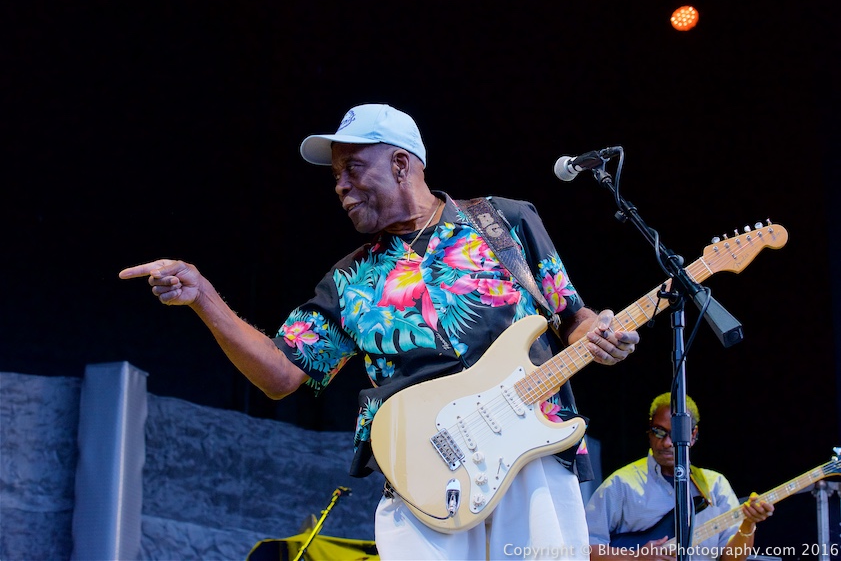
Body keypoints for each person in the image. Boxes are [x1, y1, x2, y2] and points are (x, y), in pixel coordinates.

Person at [120, 103, 640, 560]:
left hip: (533, 455)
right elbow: (280, 375)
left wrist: (601, 334)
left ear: (400, 164)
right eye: (335, 177)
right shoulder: (349, 281)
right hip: (426, 475)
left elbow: (573, 316)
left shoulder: (504, 222)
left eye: (351, 169)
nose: (340, 186)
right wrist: (204, 297)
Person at [585, 392, 774, 561]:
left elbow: (732, 559)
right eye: (659, 431)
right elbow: (583, 548)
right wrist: (635, 558)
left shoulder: (716, 486)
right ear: (649, 430)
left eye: (675, 435)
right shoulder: (621, 484)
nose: (667, 442)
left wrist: (748, 524)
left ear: (693, 435)